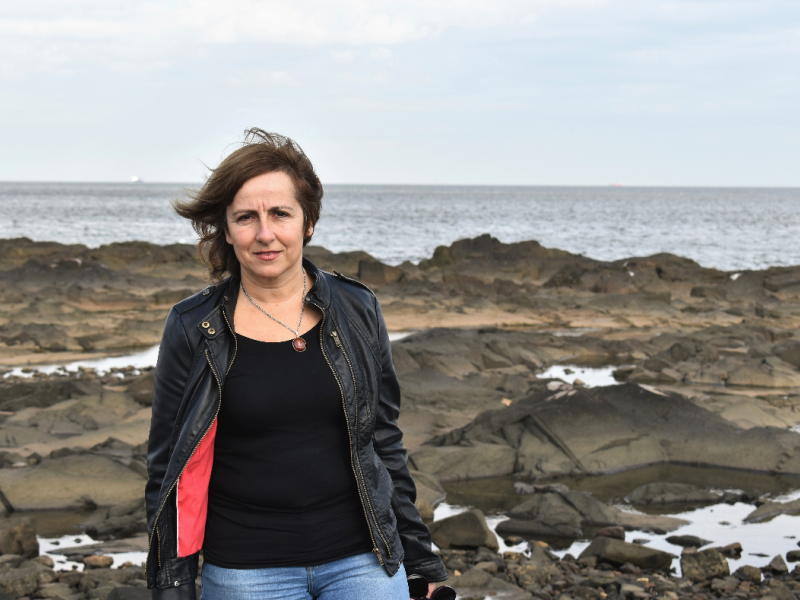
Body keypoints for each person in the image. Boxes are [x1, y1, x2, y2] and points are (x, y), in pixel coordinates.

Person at [144, 129, 448, 600]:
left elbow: (384, 441)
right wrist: (173, 582)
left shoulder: (357, 308)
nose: (265, 234)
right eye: (246, 217)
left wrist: (418, 554)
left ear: (308, 222)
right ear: (226, 230)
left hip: (362, 561)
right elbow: (168, 466)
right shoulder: (191, 326)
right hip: (246, 570)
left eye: (280, 214)